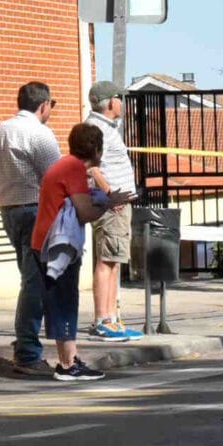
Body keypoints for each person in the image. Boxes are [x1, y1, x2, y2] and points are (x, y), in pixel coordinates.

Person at [30, 120, 129, 381]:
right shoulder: (74, 169)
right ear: (96, 149)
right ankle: (67, 364)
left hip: (47, 243)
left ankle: (70, 358)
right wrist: (109, 204)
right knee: (64, 302)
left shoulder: (66, 165)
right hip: (56, 247)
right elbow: (85, 212)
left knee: (62, 300)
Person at [0, 82, 63, 375]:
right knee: (35, 283)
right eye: (51, 106)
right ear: (43, 105)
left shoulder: (2, 132)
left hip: (9, 210)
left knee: (30, 278)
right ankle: (27, 351)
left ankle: (25, 342)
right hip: (36, 210)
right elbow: (55, 177)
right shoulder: (40, 133)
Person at [83, 82, 141, 340]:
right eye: (118, 97)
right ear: (109, 102)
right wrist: (109, 194)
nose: (121, 102)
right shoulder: (95, 128)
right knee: (106, 260)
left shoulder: (108, 127)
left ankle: (112, 318)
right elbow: (91, 167)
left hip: (119, 203)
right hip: (111, 205)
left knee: (114, 259)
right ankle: (102, 320)